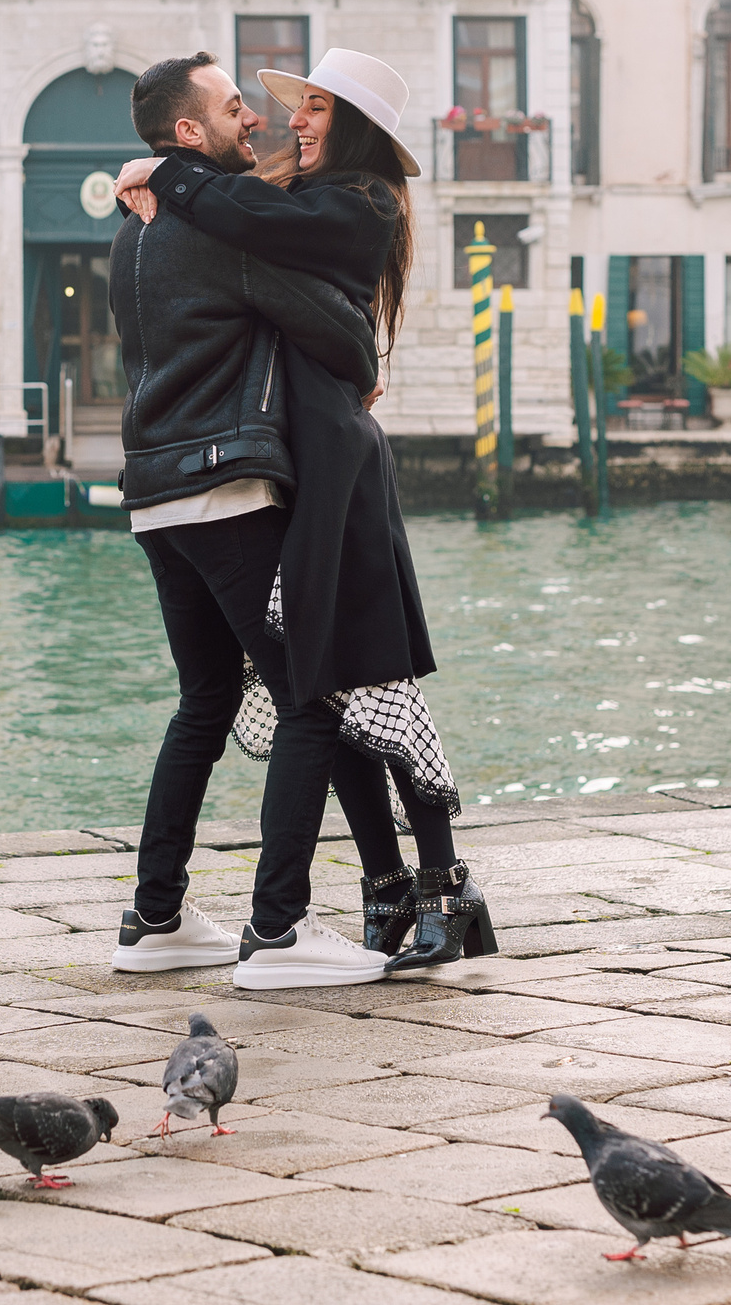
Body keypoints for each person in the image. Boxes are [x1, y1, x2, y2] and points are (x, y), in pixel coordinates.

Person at [117, 48, 497, 976]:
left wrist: (162, 172)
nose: (283, 119)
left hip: (255, 476)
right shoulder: (236, 212)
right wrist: (173, 171)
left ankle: (430, 885)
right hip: (260, 475)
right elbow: (308, 308)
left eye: (313, 107)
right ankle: (330, 908)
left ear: (354, 122)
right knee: (323, 693)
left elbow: (289, 271)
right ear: (192, 125)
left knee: (315, 684)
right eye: (252, 106)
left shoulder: (334, 205)